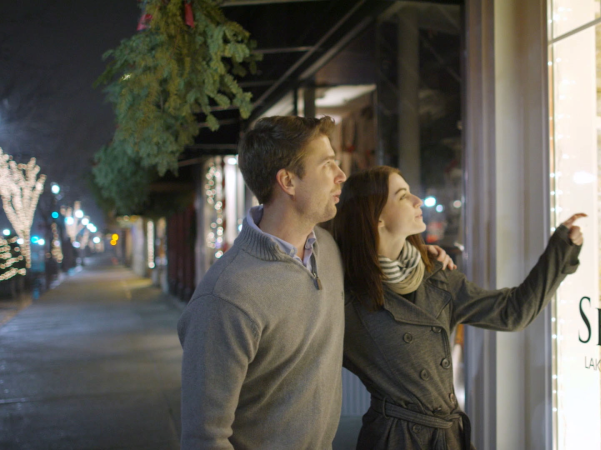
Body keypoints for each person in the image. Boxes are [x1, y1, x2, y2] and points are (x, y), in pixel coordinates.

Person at [176, 116, 454, 449]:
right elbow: (204, 438)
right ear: (288, 181)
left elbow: (377, 246)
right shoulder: (225, 298)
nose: (341, 176)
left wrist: (423, 253)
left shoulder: (326, 248)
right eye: (327, 165)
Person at [332, 166, 585, 450]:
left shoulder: (437, 276)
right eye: (403, 196)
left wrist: (561, 250)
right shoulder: (346, 293)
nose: (418, 200)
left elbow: (512, 313)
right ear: (376, 215)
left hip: (449, 437)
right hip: (395, 439)